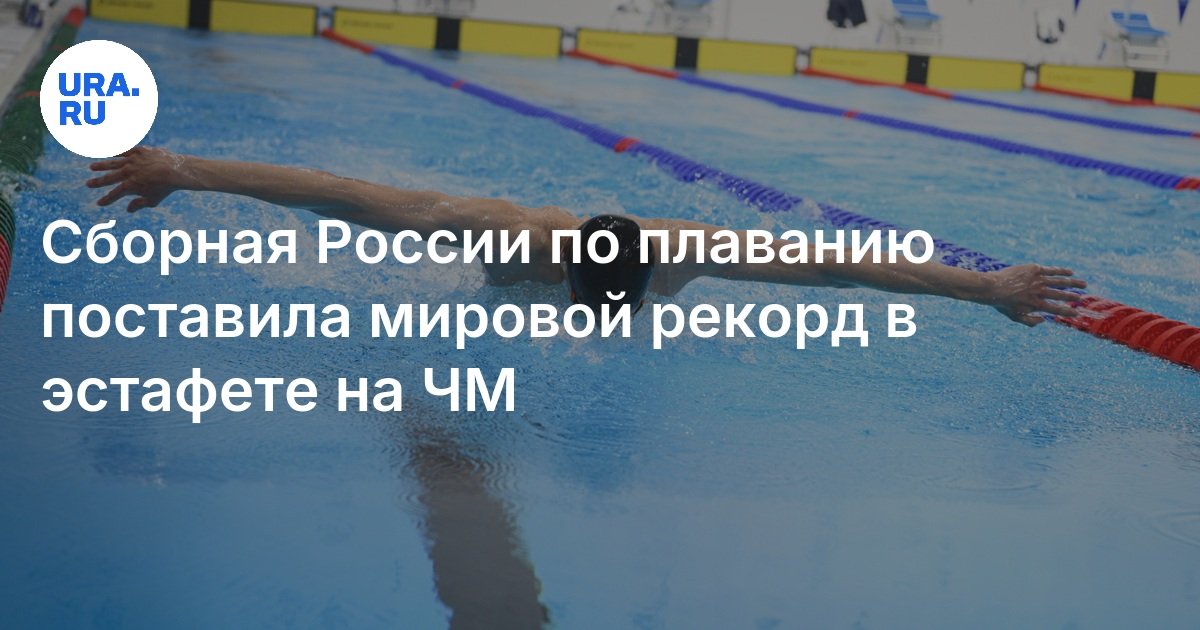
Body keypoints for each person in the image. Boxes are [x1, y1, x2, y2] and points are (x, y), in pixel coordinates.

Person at [86, 147, 1085, 325]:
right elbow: (340, 194)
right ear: (564, 269)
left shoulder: (688, 249)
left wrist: (990, 287)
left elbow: (842, 266)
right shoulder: (502, 236)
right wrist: (183, 170)